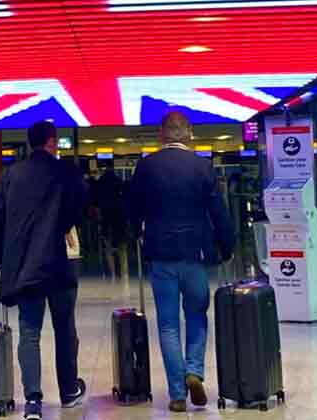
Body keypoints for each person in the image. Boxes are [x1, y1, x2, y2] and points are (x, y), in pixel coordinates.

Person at [128, 112, 235, 413]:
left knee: (168, 324)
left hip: (160, 254)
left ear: (161, 134)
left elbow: (132, 209)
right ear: (189, 133)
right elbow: (218, 212)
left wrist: (136, 233)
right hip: (194, 254)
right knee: (197, 315)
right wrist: (227, 246)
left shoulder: (146, 166)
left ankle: (177, 393)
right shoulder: (202, 167)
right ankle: (194, 371)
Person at [0, 120, 88, 420]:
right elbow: (79, 207)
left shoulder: (12, 174)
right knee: (64, 327)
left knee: (29, 331)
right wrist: (63, 225)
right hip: (60, 261)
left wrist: (0, 257)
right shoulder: (65, 171)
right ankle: (68, 391)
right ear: (52, 142)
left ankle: (33, 400)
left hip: (26, 264)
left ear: (30, 143)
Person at [93, 164, 128, 279]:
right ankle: (122, 270)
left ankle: (112, 270)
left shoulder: (100, 183)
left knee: (107, 242)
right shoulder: (118, 181)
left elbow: (95, 200)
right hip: (119, 214)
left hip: (105, 214)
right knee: (120, 243)